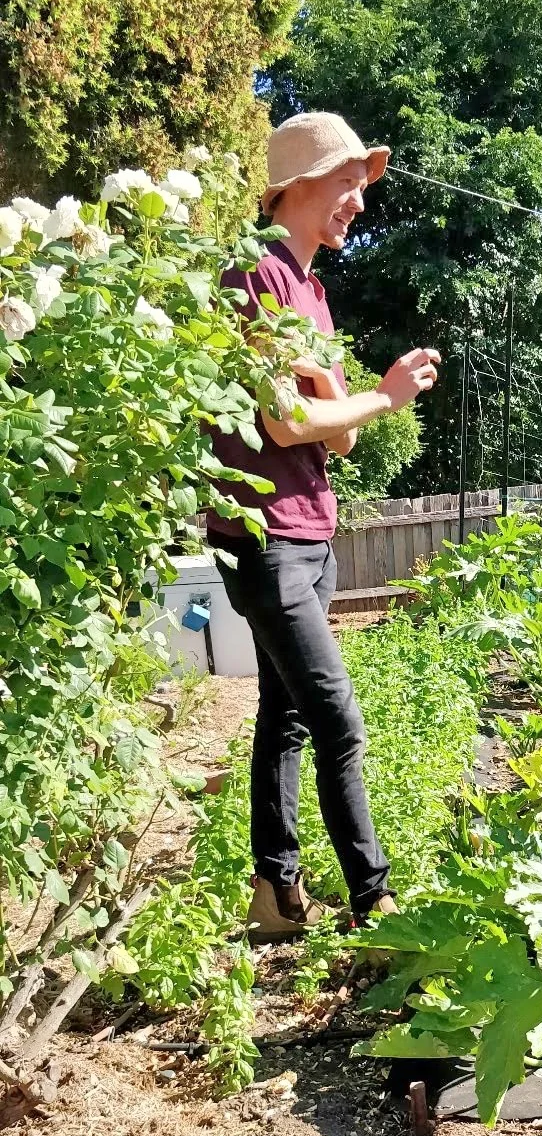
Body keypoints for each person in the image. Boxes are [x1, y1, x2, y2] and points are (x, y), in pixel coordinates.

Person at [206, 111, 440, 942]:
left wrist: (346, 396)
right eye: (347, 182)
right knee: (340, 719)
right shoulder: (252, 276)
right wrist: (381, 395)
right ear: (299, 183)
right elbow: (284, 422)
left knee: (290, 715)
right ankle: (375, 901)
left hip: (311, 529)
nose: (358, 203)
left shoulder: (311, 292)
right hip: (262, 533)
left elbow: (337, 436)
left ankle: (275, 893)